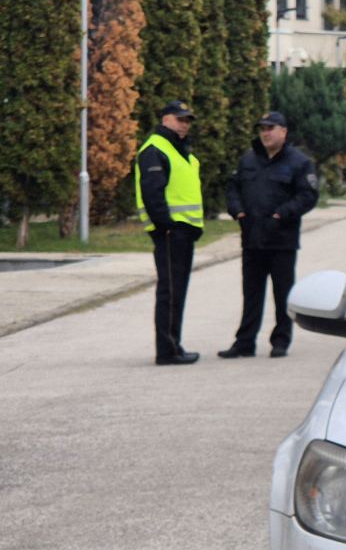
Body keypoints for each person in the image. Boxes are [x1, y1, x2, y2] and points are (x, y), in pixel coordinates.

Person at [218, 111, 319, 359]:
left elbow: (307, 196)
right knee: (251, 294)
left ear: (283, 131)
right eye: (262, 128)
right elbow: (233, 188)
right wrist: (237, 211)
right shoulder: (248, 160)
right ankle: (245, 342)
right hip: (252, 238)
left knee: (282, 294)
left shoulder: (299, 162)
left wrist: (281, 214)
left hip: (281, 239)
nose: (265, 133)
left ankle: (280, 341)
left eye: (270, 128)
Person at [136, 100, 204, 366]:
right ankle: (167, 350)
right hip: (170, 232)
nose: (184, 124)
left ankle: (174, 344)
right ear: (165, 119)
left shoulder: (182, 151)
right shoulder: (155, 149)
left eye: (187, 120)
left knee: (177, 291)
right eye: (180, 119)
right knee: (170, 292)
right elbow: (152, 193)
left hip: (183, 232)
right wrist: (166, 226)